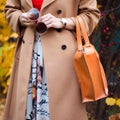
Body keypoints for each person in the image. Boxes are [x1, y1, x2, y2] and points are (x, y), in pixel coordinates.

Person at [3, 0, 100, 120]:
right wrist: (20, 18)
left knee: (59, 112)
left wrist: (62, 22)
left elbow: (91, 15)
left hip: (62, 59)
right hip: (28, 54)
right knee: (25, 109)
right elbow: (10, 9)